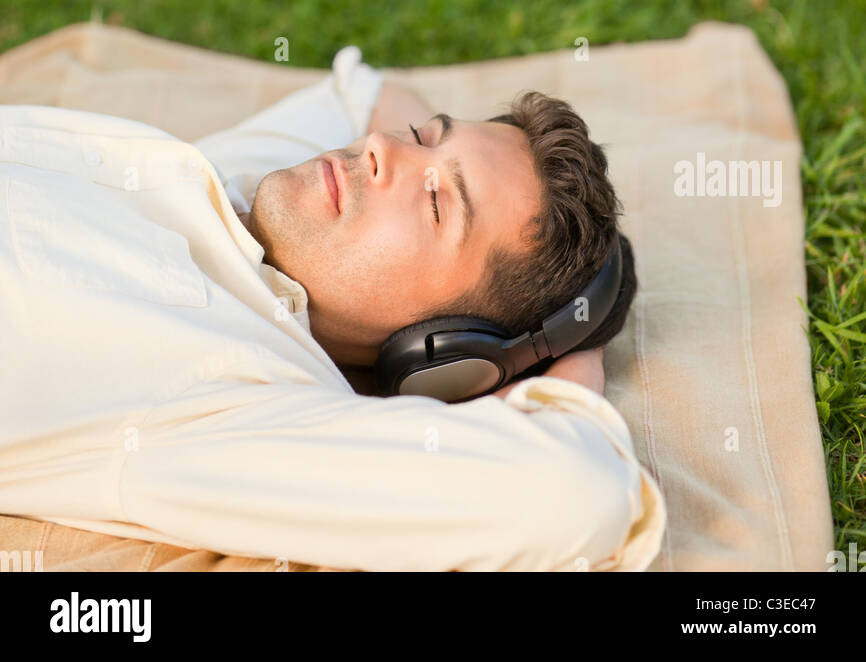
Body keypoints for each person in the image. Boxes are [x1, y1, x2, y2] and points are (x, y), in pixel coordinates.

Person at [0, 47, 665, 571]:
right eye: (422, 137)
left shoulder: (232, 397)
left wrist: (567, 340)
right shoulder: (249, 180)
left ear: (446, 353)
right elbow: (359, 90)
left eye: (437, 203)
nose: (384, 149)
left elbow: (576, 493)